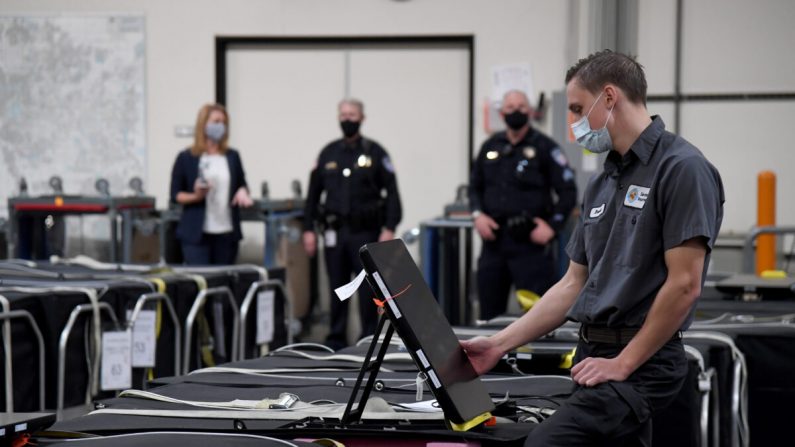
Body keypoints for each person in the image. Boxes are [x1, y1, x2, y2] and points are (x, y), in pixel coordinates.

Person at [461, 50, 725, 446]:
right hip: (591, 356)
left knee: (543, 443)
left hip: (643, 363)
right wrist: (497, 345)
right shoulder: (603, 181)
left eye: (577, 109)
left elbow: (684, 285)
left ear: (609, 97)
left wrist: (623, 362)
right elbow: (572, 283)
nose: (573, 124)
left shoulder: (682, 168)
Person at [303, 98, 402, 350]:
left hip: (365, 233)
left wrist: (389, 228)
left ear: (362, 118)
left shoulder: (375, 153)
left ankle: (367, 339)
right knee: (338, 288)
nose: (347, 118)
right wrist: (308, 230)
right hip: (334, 233)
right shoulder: (328, 153)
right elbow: (313, 196)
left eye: (353, 114)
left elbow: (392, 194)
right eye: (344, 114)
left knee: (366, 290)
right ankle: (336, 338)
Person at [469, 89, 577, 321]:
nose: (516, 112)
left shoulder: (546, 148)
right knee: (488, 315)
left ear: (530, 111)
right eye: (510, 108)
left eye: (521, 107)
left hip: (531, 246)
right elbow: (474, 187)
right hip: (494, 244)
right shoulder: (490, 146)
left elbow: (568, 192)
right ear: (501, 113)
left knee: (537, 316)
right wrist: (478, 215)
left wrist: (551, 226)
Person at [170, 103, 254, 265]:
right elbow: (175, 194)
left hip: (226, 232)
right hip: (196, 234)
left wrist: (243, 191)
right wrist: (196, 195)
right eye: (216, 121)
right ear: (204, 124)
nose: (220, 126)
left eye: (223, 122)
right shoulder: (187, 157)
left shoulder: (232, 156)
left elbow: (241, 183)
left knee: (224, 283)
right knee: (202, 281)